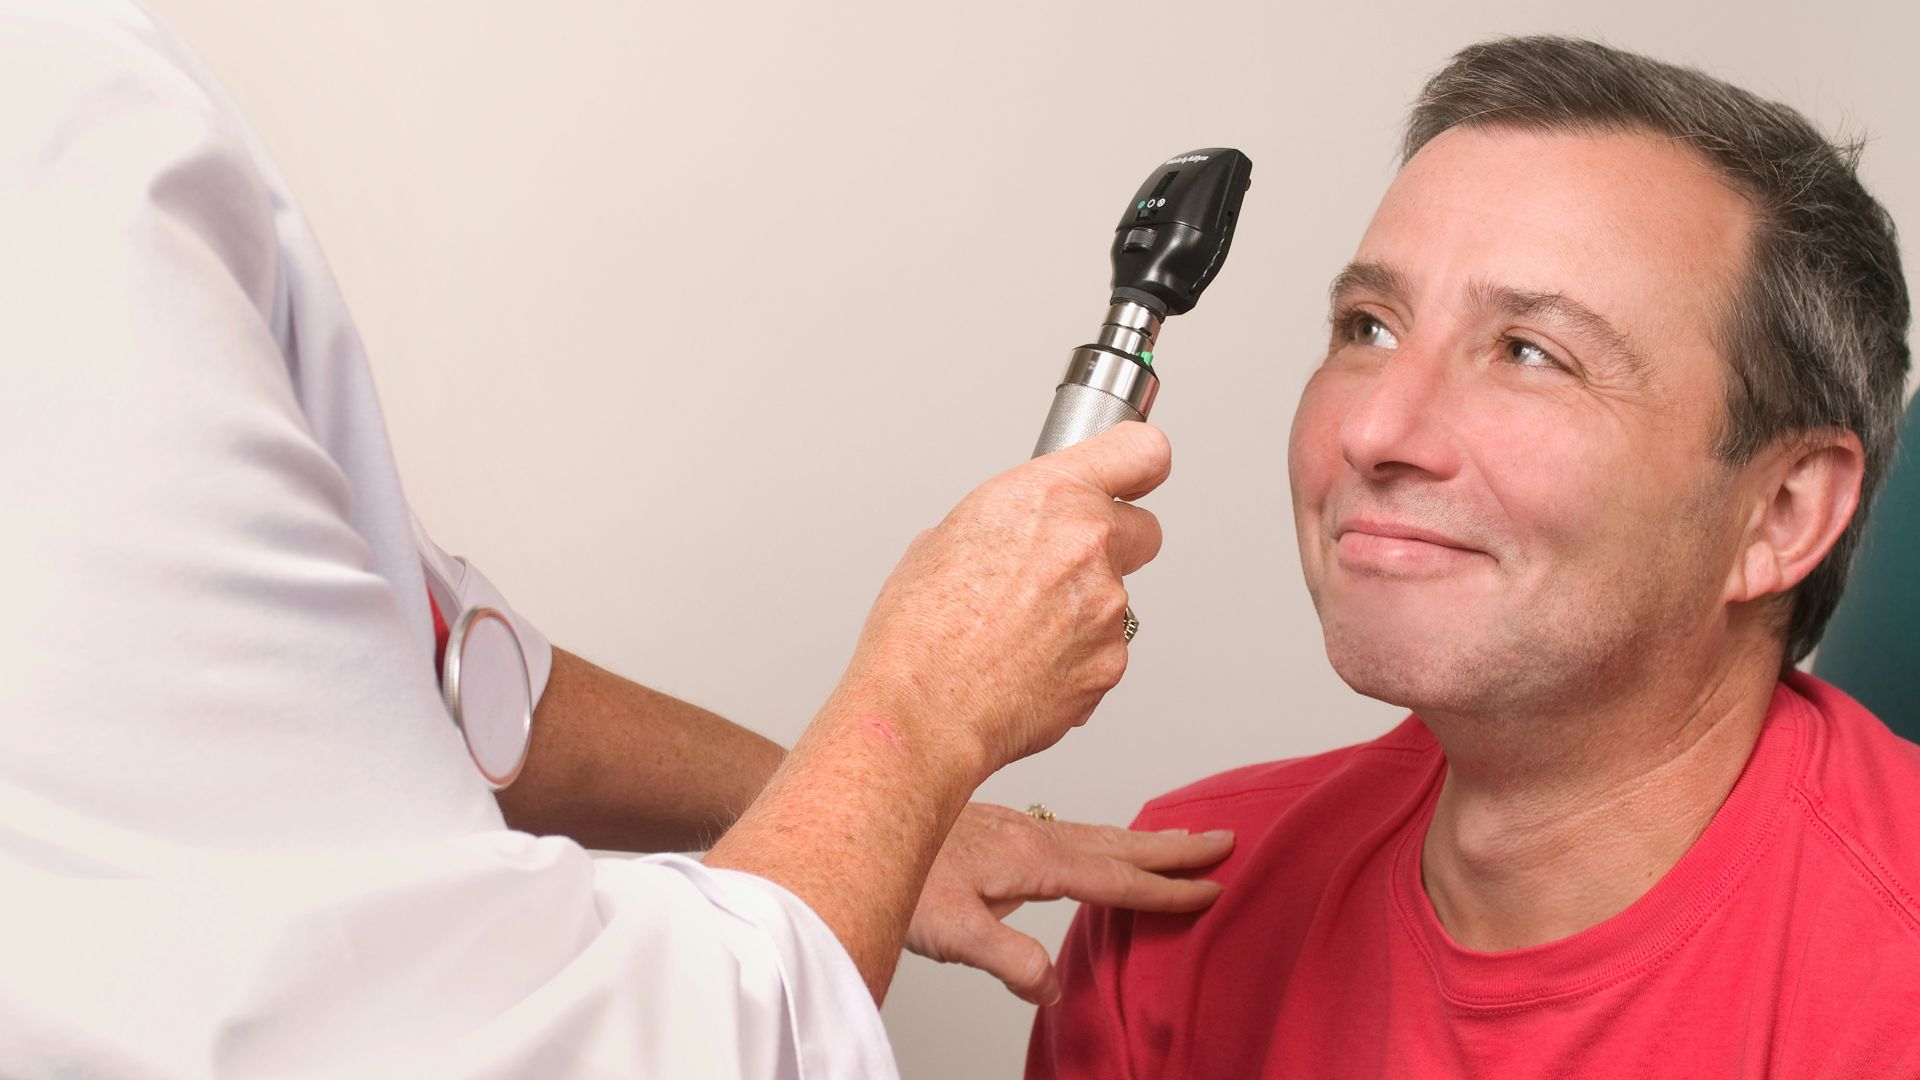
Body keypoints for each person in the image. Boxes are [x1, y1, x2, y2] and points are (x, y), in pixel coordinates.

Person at [0, 2, 1237, 1076]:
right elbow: (576, 1052)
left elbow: (418, 663)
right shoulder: (54, 140)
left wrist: (867, 818)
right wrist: (915, 721)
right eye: (1363, 329)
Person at [1029, 35, 1917, 1079]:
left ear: (1780, 512)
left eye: (1530, 353)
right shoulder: (1174, 909)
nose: (1376, 431)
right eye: (1367, 327)